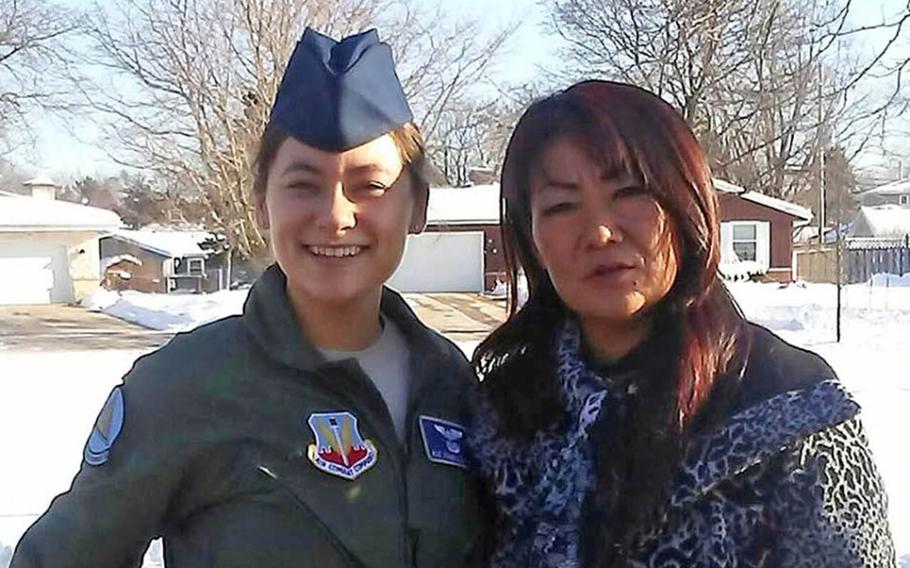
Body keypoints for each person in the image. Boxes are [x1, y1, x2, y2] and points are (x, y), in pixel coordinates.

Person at [12, 28, 482, 567]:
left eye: (369, 185)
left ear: (417, 208)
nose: (334, 216)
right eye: (303, 184)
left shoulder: (451, 385)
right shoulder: (185, 387)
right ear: (262, 205)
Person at [468, 80, 896, 567]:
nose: (601, 232)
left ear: (684, 205)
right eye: (562, 206)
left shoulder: (789, 404)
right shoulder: (504, 413)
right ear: (532, 239)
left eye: (629, 192)